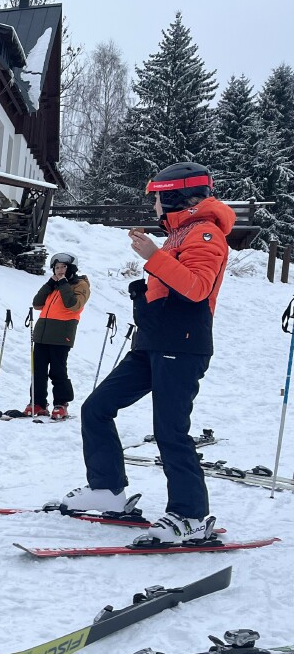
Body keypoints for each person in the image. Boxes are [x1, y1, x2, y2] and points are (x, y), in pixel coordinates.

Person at [59, 161, 234, 543]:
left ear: (175, 197)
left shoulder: (205, 234)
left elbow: (197, 288)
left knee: (170, 430)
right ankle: (107, 490)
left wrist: (153, 256)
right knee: (96, 408)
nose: (153, 206)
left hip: (183, 346)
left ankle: (190, 516)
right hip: (152, 343)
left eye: (156, 198)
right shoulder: (178, 235)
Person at [27, 253, 90, 419]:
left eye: (63, 267)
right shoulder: (54, 285)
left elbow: (73, 305)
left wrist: (62, 283)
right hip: (42, 334)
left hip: (62, 334)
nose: (60, 270)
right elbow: (37, 303)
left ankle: (61, 404)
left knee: (58, 371)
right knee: (38, 371)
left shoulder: (80, 284)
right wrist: (50, 284)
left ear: (71, 268)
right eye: (56, 268)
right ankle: (38, 403)